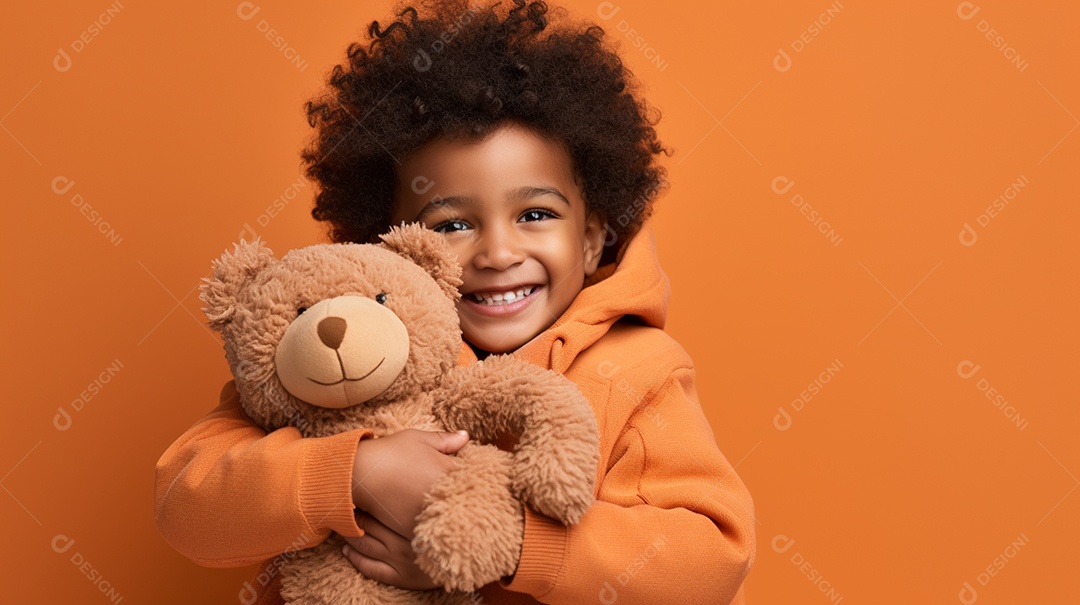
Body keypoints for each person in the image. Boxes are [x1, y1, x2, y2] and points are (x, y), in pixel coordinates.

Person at [154, 0, 756, 603]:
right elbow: (189, 504)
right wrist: (356, 470)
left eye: (536, 214)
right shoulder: (334, 353)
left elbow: (706, 560)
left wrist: (505, 544)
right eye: (450, 225)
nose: (497, 252)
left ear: (594, 234)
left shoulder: (640, 371)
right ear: (391, 245)